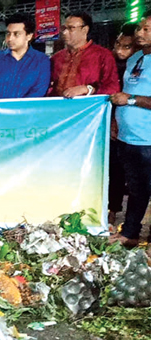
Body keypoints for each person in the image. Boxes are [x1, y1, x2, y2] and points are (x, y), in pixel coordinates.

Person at [110, 17, 151, 248]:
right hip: (127, 136)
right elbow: (124, 92)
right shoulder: (135, 57)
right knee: (136, 190)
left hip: (148, 138)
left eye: (146, 29)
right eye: (139, 28)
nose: (139, 32)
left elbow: (129, 97)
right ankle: (130, 233)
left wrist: (132, 100)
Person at [0, 13, 50, 100]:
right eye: (8, 33)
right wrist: (0, 110)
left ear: (29, 36)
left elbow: (39, 92)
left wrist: (16, 110)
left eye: (16, 34)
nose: (10, 38)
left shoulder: (41, 61)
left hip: (27, 112)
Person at [108, 24, 139, 225]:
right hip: (112, 128)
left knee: (138, 179)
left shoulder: (138, 67)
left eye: (126, 47)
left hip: (139, 131)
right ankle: (112, 211)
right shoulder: (111, 65)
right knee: (114, 171)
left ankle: (133, 224)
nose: (120, 50)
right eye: (118, 44)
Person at [49, 11, 119, 97]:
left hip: (87, 108)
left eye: (71, 28)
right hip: (58, 108)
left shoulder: (103, 55)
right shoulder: (56, 58)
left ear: (85, 30)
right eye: (64, 28)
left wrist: (87, 89)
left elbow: (112, 87)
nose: (64, 33)